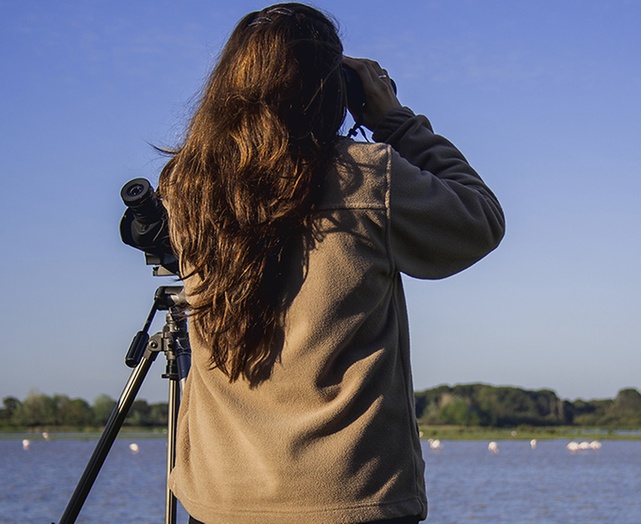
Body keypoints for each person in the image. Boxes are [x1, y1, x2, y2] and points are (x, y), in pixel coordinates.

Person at [158, 3, 504, 523]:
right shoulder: (367, 176)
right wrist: (395, 121)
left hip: (219, 498)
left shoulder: (188, 188)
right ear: (333, 90)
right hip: (351, 497)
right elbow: (479, 220)